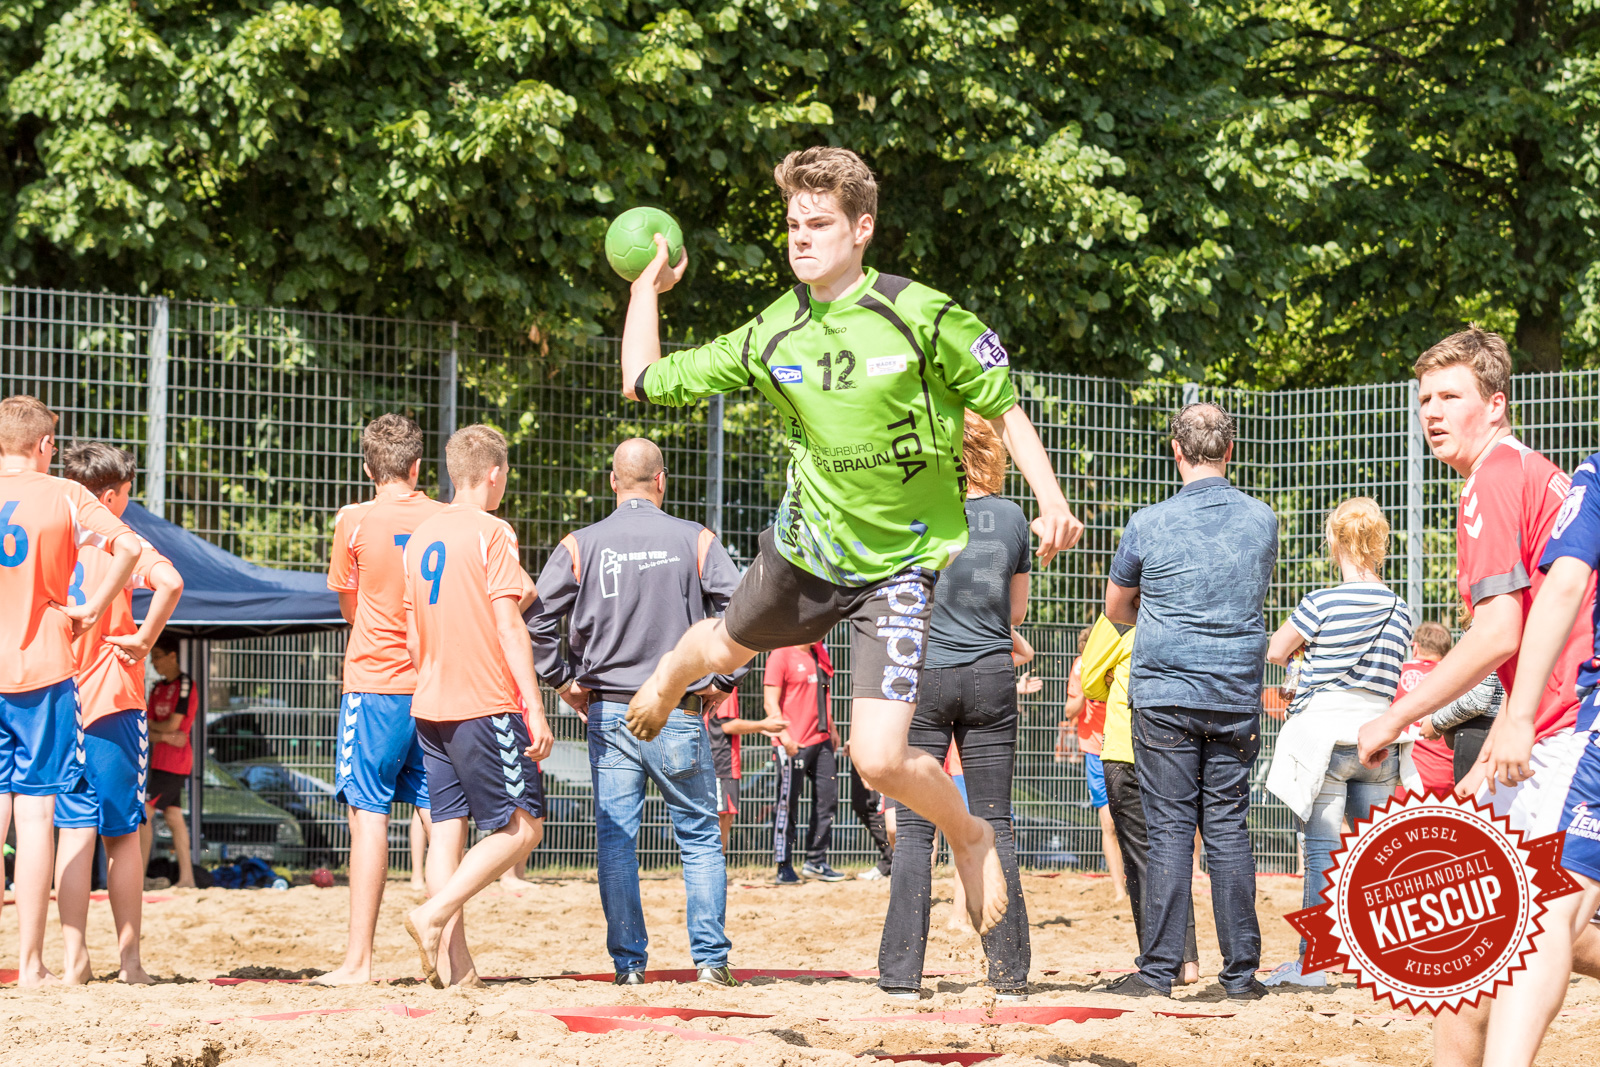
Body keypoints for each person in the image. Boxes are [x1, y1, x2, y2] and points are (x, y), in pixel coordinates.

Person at [616, 146, 1082, 934]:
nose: (801, 237)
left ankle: (969, 836)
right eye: (793, 224)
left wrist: (1052, 498)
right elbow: (642, 380)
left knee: (878, 758)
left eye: (820, 223)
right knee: (719, 648)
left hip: (898, 567)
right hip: (806, 555)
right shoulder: (773, 330)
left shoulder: (923, 313)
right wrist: (642, 290)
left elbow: (1003, 404)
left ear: (862, 228)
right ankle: (668, 676)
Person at [1356, 327, 1600, 1067]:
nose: (1431, 412)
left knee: (1532, 917)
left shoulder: (1493, 478)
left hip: (1573, 724)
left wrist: (1397, 716)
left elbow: (1499, 631)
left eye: (1450, 396)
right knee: (1497, 925)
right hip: (1549, 724)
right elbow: (1531, 639)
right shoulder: (1529, 471)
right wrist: (1498, 741)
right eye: (1425, 398)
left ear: (1495, 405)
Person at [528, 437, 744, 986]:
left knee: (617, 842)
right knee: (699, 837)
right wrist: (723, 679)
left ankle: (628, 968)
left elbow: (536, 620)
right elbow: (743, 610)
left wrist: (562, 681)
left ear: (613, 481)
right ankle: (711, 963)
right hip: (677, 708)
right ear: (662, 480)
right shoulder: (697, 540)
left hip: (609, 712)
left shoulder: (579, 545)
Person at [1100, 403, 1277, 1001]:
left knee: (1169, 830)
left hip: (1164, 694)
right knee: (1227, 828)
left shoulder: (1147, 523)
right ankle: (1241, 976)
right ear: (1231, 449)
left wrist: (1160, 617)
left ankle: (1157, 973)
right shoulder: (1262, 520)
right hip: (1233, 692)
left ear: (1176, 450)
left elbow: (1116, 607)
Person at [877, 411, 1035, 1001]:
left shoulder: (912, 511)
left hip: (923, 675)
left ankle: (900, 976)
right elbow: (1015, 613)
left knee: (916, 827)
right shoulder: (1013, 517)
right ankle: (1009, 975)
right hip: (990, 674)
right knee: (996, 822)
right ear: (990, 453)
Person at [401, 425, 550, 989]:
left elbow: (412, 635)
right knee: (524, 827)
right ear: (494, 474)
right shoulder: (493, 531)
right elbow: (511, 625)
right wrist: (534, 707)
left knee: (447, 832)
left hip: (430, 700)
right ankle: (432, 914)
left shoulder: (421, 537)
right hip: (484, 700)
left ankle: (455, 968)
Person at [0, 395, 140, 986]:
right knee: (36, 816)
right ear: (45, 445)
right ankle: (32, 963)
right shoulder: (65, 494)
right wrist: (93, 607)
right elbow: (130, 548)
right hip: (44, 670)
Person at [1262, 497, 1416, 988]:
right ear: (1380, 543)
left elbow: (1275, 650)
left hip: (1325, 739)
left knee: (1323, 854)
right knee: (1382, 857)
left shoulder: (1320, 602)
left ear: (1334, 541)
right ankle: (1391, 961)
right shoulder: (1401, 609)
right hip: (1380, 737)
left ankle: (1314, 964)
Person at [316, 414, 447, 985]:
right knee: (440, 820)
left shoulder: (354, 520)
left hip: (375, 684)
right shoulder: (446, 518)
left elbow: (349, 608)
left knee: (368, 816)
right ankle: (451, 960)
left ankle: (358, 963)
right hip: (437, 685)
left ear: (368, 468)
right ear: (418, 467)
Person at [54, 443, 184, 986]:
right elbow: (171, 583)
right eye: (128, 494)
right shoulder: (119, 541)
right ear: (109, 497)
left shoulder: (51, 538)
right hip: (112, 700)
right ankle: (130, 963)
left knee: (72, 832)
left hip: (57, 698)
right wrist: (145, 638)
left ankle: (74, 961)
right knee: (123, 834)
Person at [1080, 613, 1202, 986]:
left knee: (1141, 861)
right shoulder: (1182, 613)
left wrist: (1115, 680)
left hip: (1126, 747)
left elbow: (1091, 684)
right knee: (1172, 853)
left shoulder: (1116, 621)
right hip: (1176, 749)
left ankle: (1160, 964)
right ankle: (1188, 961)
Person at [765, 641, 844, 883]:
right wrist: (784, 737)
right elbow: (770, 702)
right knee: (787, 804)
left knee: (828, 800)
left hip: (821, 740)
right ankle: (784, 865)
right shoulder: (780, 654)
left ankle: (816, 861)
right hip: (793, 743)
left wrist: (832, 727)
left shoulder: (820, 652)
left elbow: (822, 693)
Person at [1062, 626, 1126, 898]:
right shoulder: (1081, 666)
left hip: (1124, 747)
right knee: (1109, 824)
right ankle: (1119, 890)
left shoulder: (1122, 659)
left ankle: (1137, 882)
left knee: (1132, 821)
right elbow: (1069, 712)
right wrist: (1090, 686)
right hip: (1094, 751)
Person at [704, 688, 788, 855]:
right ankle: (711, 865)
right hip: (719, 762)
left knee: (726, 817)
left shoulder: (725, 683)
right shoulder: (726, 684)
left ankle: (717, 864)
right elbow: (727, 725)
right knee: (718, 819)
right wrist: (762, 724)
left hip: (726, 764)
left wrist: (758, 728)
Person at [142, 634, 197, 887]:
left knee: (145, 812)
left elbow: (174, 724)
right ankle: (187, 879)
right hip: (159, 761)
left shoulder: (185, 684)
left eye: (157, 657)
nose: (153, 663)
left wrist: (159, 731)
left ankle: (138, 877)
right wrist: (164, 735)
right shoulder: (157, 688)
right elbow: (147, 726)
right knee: (174, 817)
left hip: (175, 763)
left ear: (172, 656)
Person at [1394, 620, 1454, 795]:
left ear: (1416, 647)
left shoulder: (1397, 673)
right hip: (1445, 775)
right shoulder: (1455, 677)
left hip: (1404, 776)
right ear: (1447, 650)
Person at [1427, 671, 1504, 782]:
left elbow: (1477, 701)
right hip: (1505, 726)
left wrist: (1436, 722)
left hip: (1480, 729)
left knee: (1475, 792)